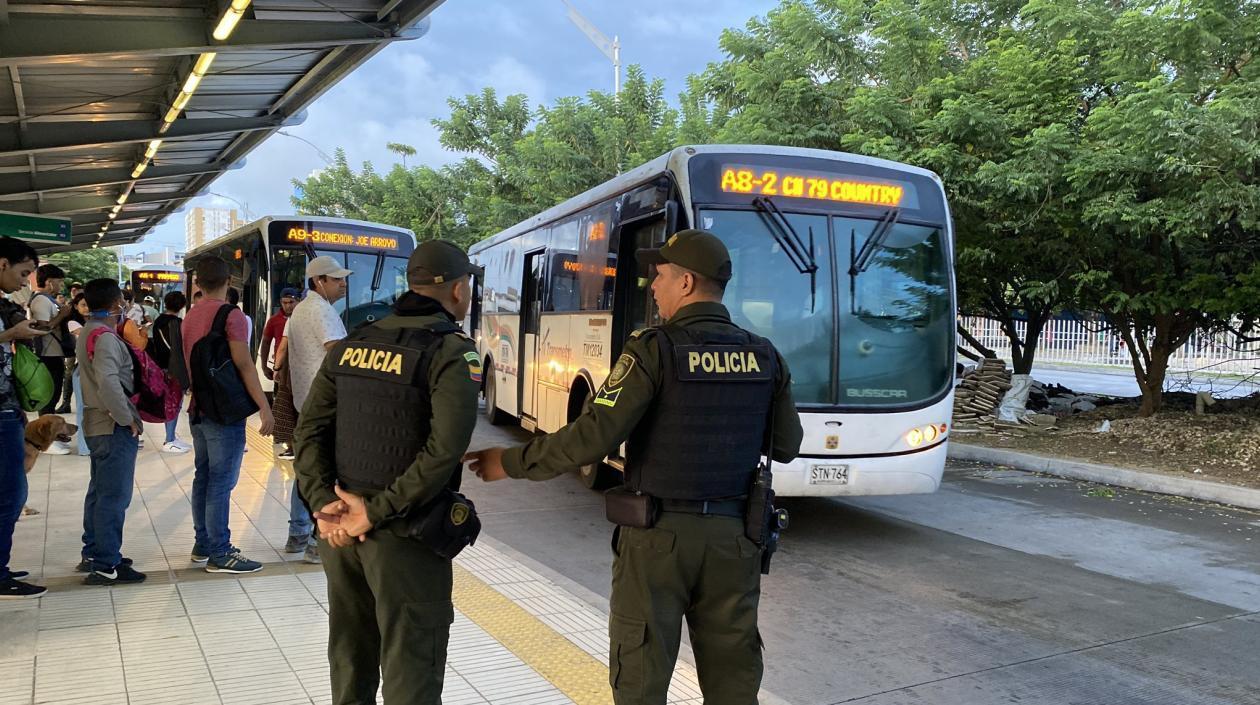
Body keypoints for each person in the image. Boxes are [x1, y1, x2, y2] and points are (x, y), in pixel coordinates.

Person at [465, 230, 804, 705]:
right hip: (736, 538)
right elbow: (787, 445)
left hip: (658, 538)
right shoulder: (764, 355)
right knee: (733, 679)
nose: (653, 286)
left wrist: (511, 462)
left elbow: (592, 437)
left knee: (640, 674)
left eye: (659, 276)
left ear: (686, 282)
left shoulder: (653, 349)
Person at [293, 240, 481, 705]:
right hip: (405, 537)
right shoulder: (452, 351)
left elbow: (309, 430)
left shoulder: (355, 342)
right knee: (411, 670)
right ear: (459, 289)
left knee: (351, 656)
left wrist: (323, 504)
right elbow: (443, 452)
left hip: (339, 534)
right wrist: (374, 512)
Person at [182, 256, 274, 574]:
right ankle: (220, 552)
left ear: (198, 283)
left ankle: (203, 544)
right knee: (221, 482)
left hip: (198, 409)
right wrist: (264, 408)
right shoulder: (231, 315)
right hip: (224, 413)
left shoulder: (190, 315)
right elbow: (245, 365)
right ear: (229, 282)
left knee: (204, 477)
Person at [77, 278, 147, 586]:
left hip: (97, 424)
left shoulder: (89, 330)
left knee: (99, 492)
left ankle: (95, 552)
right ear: (116, 303)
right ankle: (107, 563)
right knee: (114, 496)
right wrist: (125, 418)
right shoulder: (104, 336)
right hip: (110, 426)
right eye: (122, 301)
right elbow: (108, 381)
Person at [283, 257, 351, 563]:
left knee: (307, 468)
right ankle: (316, 541)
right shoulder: (321, 310)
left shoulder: (300, 309)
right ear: (318, 281)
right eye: (336, 279)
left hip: (306, 402)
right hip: (326, 405)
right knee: (326, 472)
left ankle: (298, 534)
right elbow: (337, 354)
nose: (343, 284)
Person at [0, 236, 51, 599]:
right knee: (11, 494)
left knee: (11, 493)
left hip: (7, 408)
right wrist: (10, 334)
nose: (24, 282)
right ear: (2, 263)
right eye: (23, 273)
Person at [28, 264, 72, 425]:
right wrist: (62, 315)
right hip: (48, 356)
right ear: (49, 282)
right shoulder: (41, 300)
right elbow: (43, 328)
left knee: (53, 396)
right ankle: (46, 430)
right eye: (59, 281)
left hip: (54, 354)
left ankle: (50, 430)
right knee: (49, 399)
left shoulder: (48, 300)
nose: (61, 285)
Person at [148, 291, 190, 454]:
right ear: (182, 306)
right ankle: (170, 439)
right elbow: (179, 349)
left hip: (161, 367)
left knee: (170, 402)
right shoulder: (177, 323)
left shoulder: (158, 321)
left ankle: (171, 437)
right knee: (174, 403)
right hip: (174, 368)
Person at [260, 288, 299, 406]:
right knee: (281, 403)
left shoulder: (303, 318)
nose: (288, 306)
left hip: (300, 365)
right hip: (282, 366)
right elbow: (265, 343)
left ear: (298, 301)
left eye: (291, 302)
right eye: (284, 303)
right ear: (281, 302)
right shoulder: (273, 321)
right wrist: (264, 366)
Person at [66, 294, 91, 456]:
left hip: (94, 368)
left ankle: (92, 443)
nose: (87, 308)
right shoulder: (73, 323)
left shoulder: (93, 322)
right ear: (75, 306)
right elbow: (87, 334)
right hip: (81, 369)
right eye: (83, 305)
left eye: (89, 304)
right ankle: (83, 447)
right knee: (82, 408)